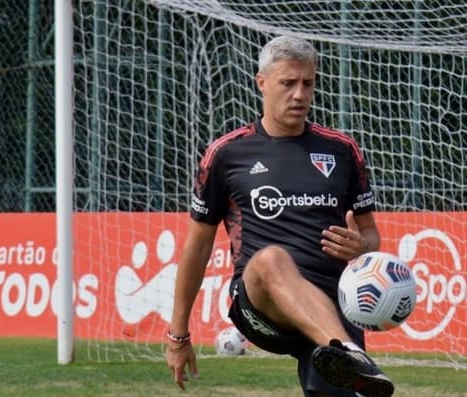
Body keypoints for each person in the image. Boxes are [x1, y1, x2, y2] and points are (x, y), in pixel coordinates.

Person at [165, 35, 395, 397]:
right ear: (262, 83)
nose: (300, 94)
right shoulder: (226, 154)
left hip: (330, 302)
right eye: (288, 83)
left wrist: (360, 245)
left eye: (308, 83)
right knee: (271, 259)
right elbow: (196, 248)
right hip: (261, 306)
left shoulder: (342, 150)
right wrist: (178, 334)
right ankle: (347, 352)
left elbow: (370, 237)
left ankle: (340, 355)